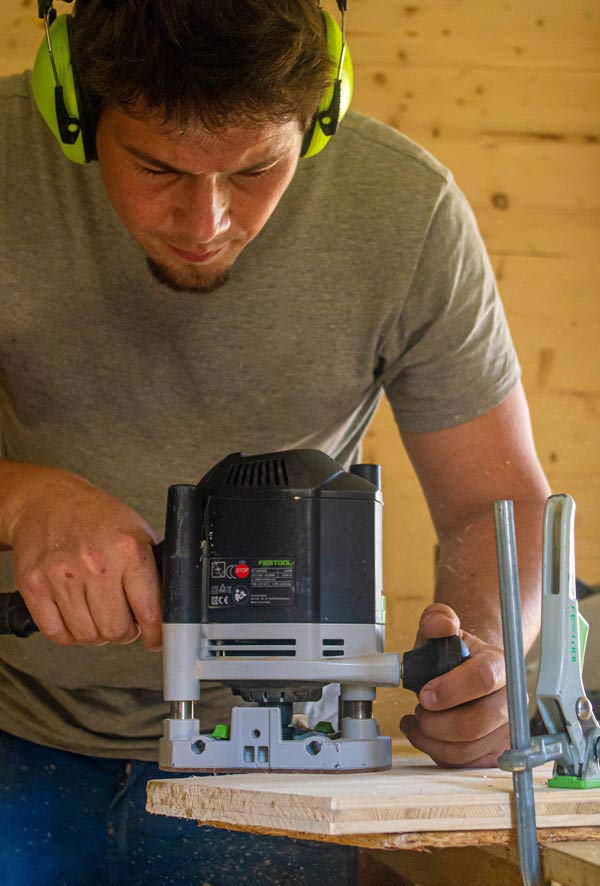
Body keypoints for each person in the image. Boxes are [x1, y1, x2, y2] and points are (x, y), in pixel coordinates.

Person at [0, 0, 550, 883]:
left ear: (321, 114)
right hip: (15, 724)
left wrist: (482, 662)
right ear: (74, 107)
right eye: (157, 167)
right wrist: (25, 498)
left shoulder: (404, 211)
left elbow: (497, 504)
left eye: (257, 168)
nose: (207, 221)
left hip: (288, 753)